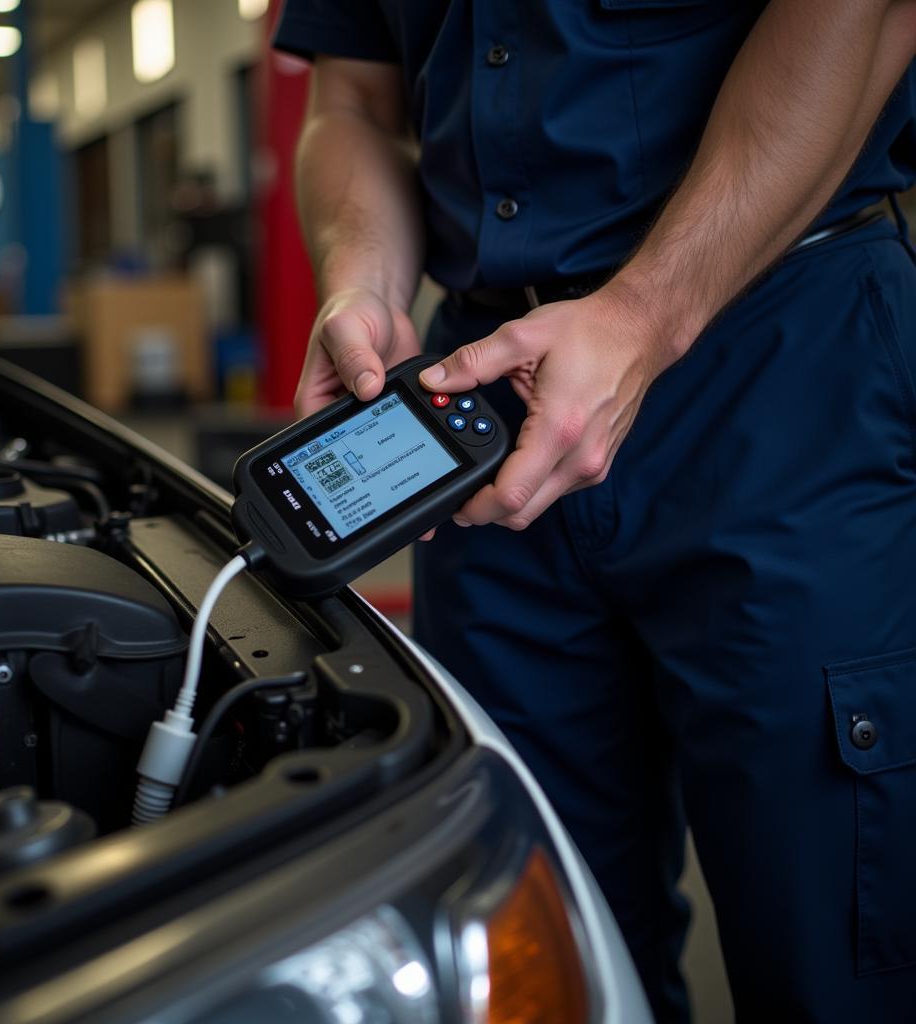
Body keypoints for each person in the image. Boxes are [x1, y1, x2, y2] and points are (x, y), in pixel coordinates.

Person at [273, 3, 916, 1020]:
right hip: (477, 407)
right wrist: (362, 283)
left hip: (781, 366)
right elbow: (352, 98)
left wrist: (645, 312)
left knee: (832, 954)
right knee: (545, 942)